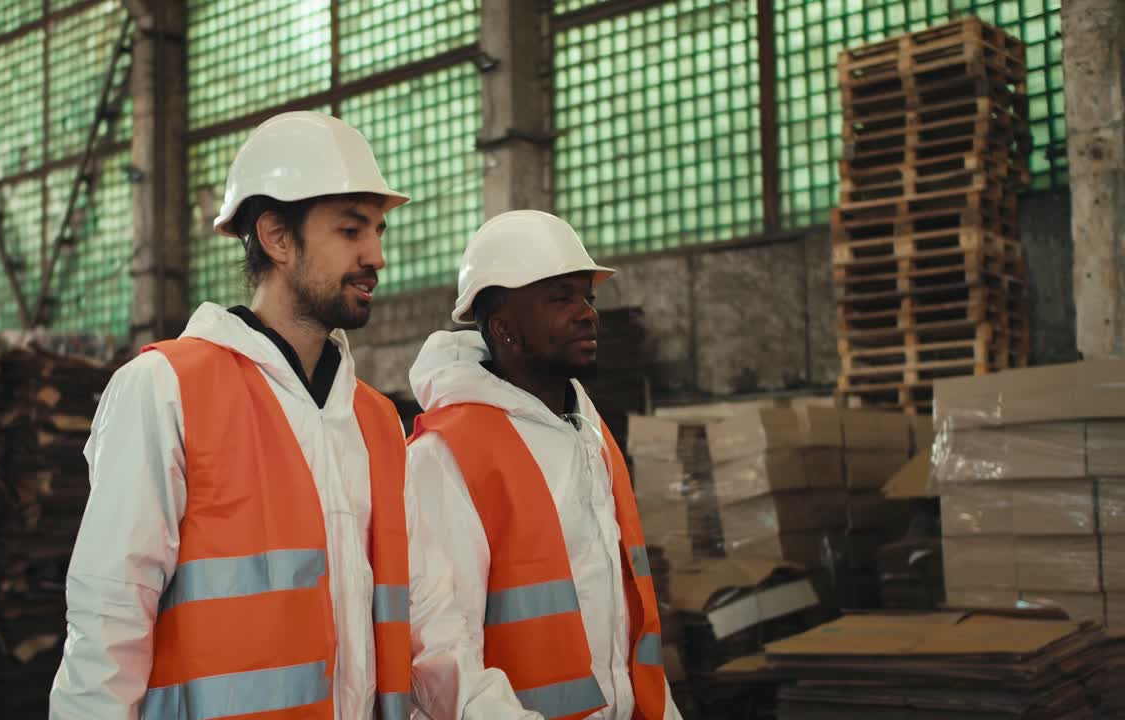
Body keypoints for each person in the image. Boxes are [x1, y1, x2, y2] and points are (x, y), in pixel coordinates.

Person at [49, 111, 417, 719]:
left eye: (378, 230)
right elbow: (109, 618)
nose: (376, 254)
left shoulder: (375, 421)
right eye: (352, 230)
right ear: (276, 236)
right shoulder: (165, 389)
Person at [405, 210, 684, 719]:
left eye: (587, 297)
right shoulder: (446, 455)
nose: (587, 313)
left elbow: (627, 625)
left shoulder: (589, 436)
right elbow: (441, 654)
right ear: (505, 328)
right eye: (561, 298)